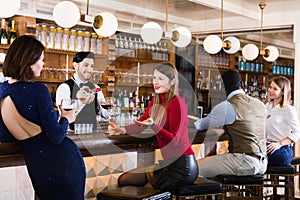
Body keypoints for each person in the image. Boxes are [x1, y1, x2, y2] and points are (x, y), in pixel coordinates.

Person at [0, 35, 85, 199]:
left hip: (38, 167)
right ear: (29, 60)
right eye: (41, 59)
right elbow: (56, 136)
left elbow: (5, 136)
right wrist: (66, 118)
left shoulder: (2, 90)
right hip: (62, 162)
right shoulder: (38, 90)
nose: (43, 64)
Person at [108, 62, 198, 191]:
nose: (156, 82)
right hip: (168, 164)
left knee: (147, 190)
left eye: (161, 79)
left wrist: (155, 126)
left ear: (172, 81)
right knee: (124, 179)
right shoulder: (156, 101)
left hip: (182, 166)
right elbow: (141, 124)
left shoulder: (177, 102)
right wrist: (121, 129)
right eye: (154, 78)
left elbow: (174, 140)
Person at [194, 69, 267, 177]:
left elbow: (200, 125)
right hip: (263, 163)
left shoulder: (228, 106)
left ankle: (210, 193)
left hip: (244, 162)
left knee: (192, 169)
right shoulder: (260, 104)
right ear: (241, 84)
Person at [56, 51, 108, 130]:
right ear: (75, 65)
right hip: (71, 135)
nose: (89, 70)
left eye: (92, 66)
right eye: (86, 65)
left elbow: (104, 115)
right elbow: (65, 115)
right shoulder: (64, 87)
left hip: (92, 135)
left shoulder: (96, 88)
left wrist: (110, 110)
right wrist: (81, 102)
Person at [265, 76, 300, 166]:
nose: (270, 90)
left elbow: (297, 132)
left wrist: (279, 143)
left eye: (275, 89)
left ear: (283, 92)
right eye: (270, 87)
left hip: (282, 149)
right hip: (267, 145)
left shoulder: (289, 109)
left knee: (258, 158)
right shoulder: (267, 106)